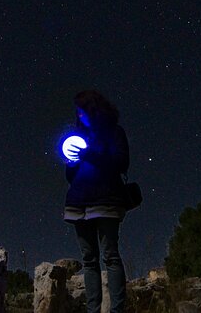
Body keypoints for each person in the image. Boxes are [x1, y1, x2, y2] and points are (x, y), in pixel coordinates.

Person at [63, 89, 129, 313]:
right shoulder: (77, 135)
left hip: (106, 201)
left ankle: (117, 309)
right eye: (78, 113)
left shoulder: (114, 133)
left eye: (83, 112)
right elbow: (69, 176)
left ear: (95, 110)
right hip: (79, 202)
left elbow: (121, 162)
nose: (80, 116)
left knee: (110, 256)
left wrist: (89, 154)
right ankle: (93, 310)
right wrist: (71, 164)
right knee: (89, 260)